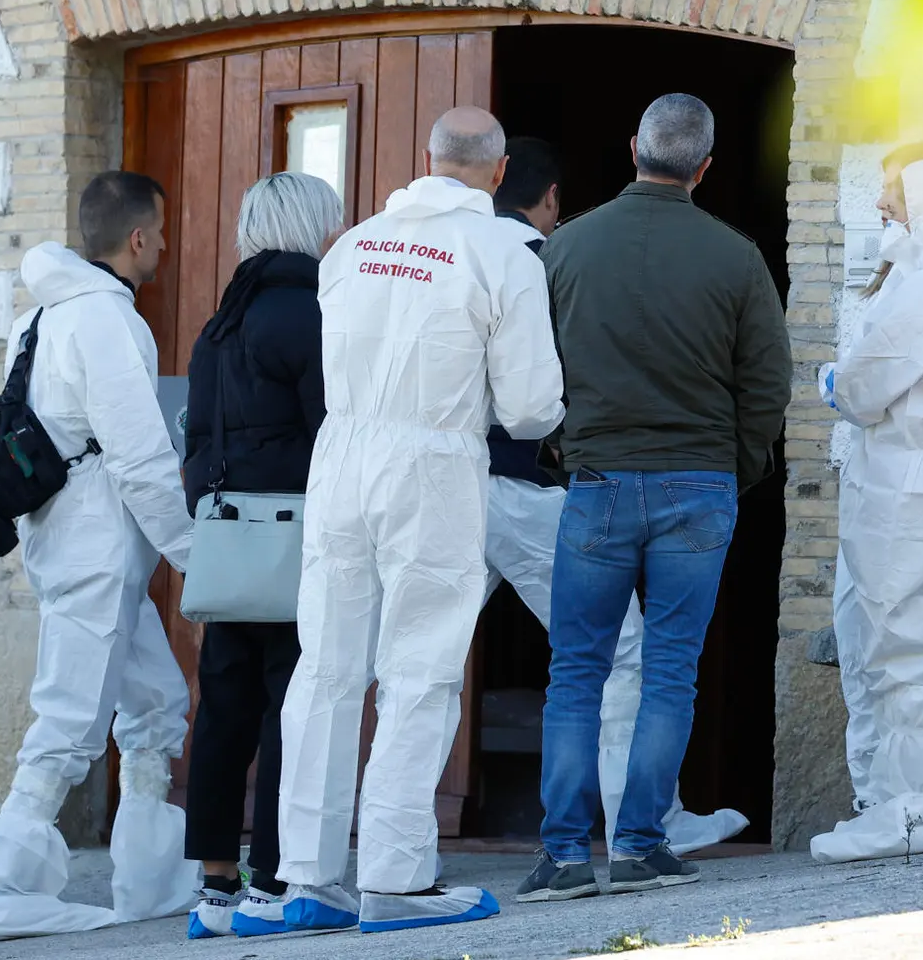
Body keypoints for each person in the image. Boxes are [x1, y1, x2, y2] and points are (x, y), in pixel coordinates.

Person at [271, 107, 565, 935]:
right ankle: (396, 876)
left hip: (341, 457)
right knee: (420, 665)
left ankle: (306, 875)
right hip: (433, 462)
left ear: (425, 159)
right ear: (500, 174)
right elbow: (534, 407)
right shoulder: (502, 253)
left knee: (325, 664)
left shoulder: (356, 243)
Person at [521, 95, 791, 903]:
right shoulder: (737, 256)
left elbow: (533, 370)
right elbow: (769, 383)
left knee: (576, 672)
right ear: (704, 167)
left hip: (598, 481)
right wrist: (731, 469)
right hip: (698, 484)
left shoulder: (564, 247)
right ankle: (640, 843)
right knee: (670, 670)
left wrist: (560, 450)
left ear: (632, 145)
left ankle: (565, 854)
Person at [485, 139, 747, 891]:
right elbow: (548, 385)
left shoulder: (476, 255)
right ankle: (642, 831)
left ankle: (546, 850)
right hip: (539, 486)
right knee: (642, 659)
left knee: (414, 662)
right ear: (550, 197)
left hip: (452, 479)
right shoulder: (546, 254)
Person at [0, 172, 199, 940]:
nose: (163, 244)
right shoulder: (103, 320)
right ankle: (0, 887)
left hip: (66, 535)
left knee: (157, 699)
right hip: (97, 542)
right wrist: (195, 551)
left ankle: (152, 876)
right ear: (136, 239)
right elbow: (140, 454)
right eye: (159, 231)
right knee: (68, 717)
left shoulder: (41, 316)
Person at [812, 141, 923, 863]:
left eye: (894, 192)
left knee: (903, 643)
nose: (884, 205)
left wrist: (836, 381)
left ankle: (917, 808)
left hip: (909, 482)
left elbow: (862, 385)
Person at [179, 173, 342, 939]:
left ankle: (215, 881)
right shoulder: (309, 312)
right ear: (314, 227)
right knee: (292, 704)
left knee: (223, 707)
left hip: (228, 541)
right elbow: (330, 433)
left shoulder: (219, 325)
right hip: (297, 537)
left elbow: (197, 441)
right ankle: (273, 877)